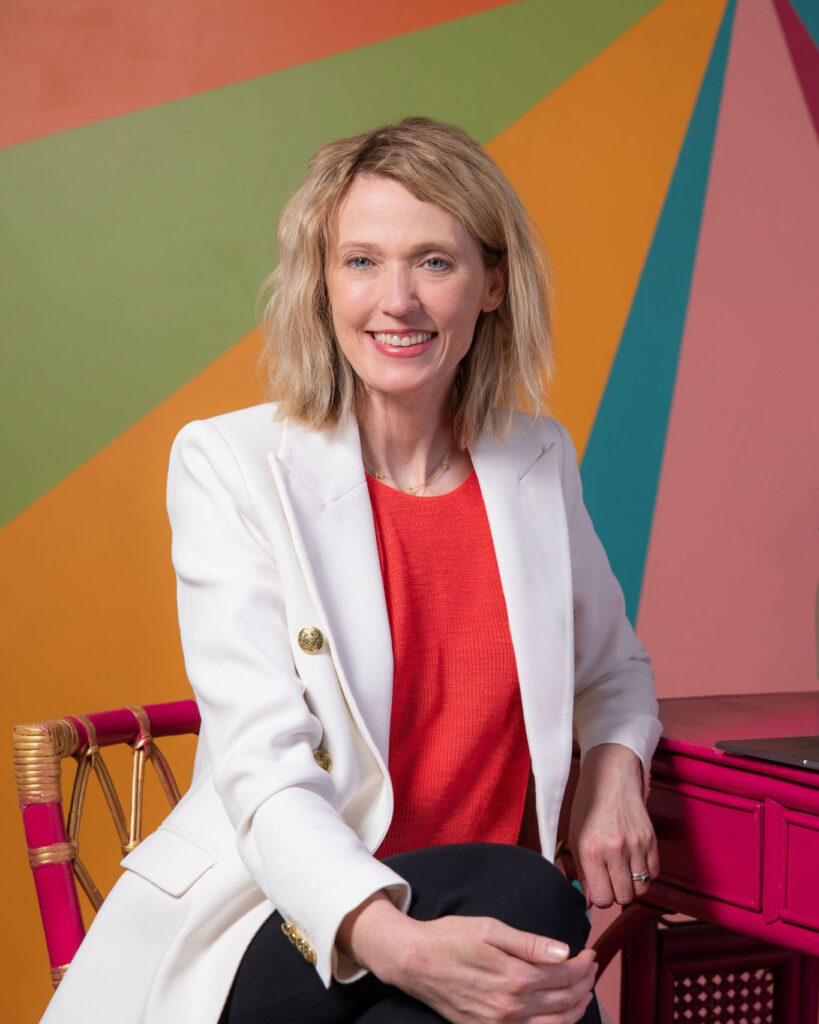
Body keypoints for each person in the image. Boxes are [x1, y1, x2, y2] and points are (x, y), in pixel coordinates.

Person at [41, 117, 662, 1024]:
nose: (396, 300)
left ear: (492, 282)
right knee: (531, 901)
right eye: (361, 262)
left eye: (435, 263)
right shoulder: (230, 462)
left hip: (474, 938)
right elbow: (263, 765)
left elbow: (615, 674)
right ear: (322, 283)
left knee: (496, 946)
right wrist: (402, 945)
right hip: (287, 918)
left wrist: (614, 769)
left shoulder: (536, 461)